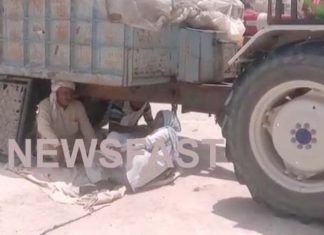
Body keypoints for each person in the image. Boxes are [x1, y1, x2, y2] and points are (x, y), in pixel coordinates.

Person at [85, 110, 182, 193]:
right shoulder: (172, 139)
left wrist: (121, 149)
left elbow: (146, 142)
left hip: (131, 176)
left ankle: (100, 173)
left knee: (96, 160)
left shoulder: (166, 131)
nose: (155, 120)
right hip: (138, 179)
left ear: (166, 120)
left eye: (158, 117)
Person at [36, 80, 96, 166]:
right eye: (65, 93)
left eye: (71, 93)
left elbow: (86, 128)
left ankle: (73, 158)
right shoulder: (45, 105)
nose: (69, 96)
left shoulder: (78, 106)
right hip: (53, 145)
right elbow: (43, 128)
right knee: (57, 155)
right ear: (56, 93)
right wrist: (57, 145)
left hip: (72, 145)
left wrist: (96, 145)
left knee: (95, 148)